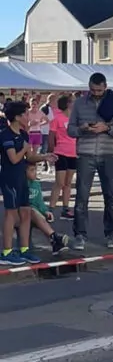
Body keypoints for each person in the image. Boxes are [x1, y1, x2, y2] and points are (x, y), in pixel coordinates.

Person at [68, 73, 113, 251]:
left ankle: (111, 233)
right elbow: (70, 130)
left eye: (99, 90)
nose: (96, 93)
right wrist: (82, 129)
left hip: (108, 154)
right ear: (89, 87)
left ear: (105, 87)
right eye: (93, 90)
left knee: (110, 196)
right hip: (85, 154)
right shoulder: (79, 103)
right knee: (81, 197)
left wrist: (106, 128)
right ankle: (80, 234)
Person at [1, 101, 58, 265]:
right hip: (9, 178)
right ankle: (6, 252)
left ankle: (24, 249)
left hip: (22, 178)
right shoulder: (5, 135)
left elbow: (30, 157)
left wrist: (45, 157)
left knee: (25, 212)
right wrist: (25, 149)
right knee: (11, 213)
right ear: (17, 117)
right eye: (25, 114)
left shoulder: (24, 135)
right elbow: (13, 159)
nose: (28, 116)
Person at [27, 162, 70, 255]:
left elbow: (40, 202)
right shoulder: (22, 184)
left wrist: (46, 211)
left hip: (36, 213)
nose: (35, 173)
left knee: (41, 216)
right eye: (31, 170)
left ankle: (54, 241)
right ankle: (55, 238)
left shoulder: (36, 184)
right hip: (25, 212)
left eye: (35, 170)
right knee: (32, 211)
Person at [49, 95, 77, 219]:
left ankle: (65, 209)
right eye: (73, 102)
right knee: (59, 182)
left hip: (73, 153)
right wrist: (51, 152)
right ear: (67, 104)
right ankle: (50, 210)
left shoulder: (75, 119)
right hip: (60, 152)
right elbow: (51, 136)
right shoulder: (57, 119)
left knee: (68, 183)